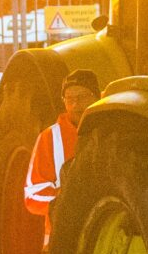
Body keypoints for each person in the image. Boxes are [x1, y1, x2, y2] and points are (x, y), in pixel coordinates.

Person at [22, 69, 101, 232]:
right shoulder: (49, 138)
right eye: (69, 98)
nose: (75, 105)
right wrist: (68, 205)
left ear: (97, 97)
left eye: (82, 97)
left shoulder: (110, 133)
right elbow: (32, 195)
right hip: (62, 239)